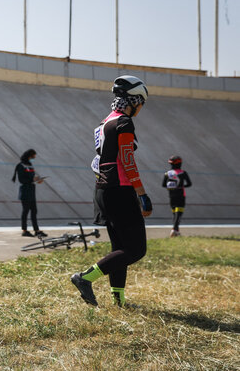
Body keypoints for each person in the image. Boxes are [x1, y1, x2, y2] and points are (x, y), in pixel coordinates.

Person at [71, 75, 153, 307]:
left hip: (103, 190)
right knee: (136, 249)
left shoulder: (104, 122)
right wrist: (142, 193)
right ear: (134, 100)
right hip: (120, 189)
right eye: (141, 103)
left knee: (120, 249)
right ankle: (85, 277)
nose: (140, 108)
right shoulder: (124, 123)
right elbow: (127, 160)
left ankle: (119, 300)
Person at [12, 149, 47, 238]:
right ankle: (24, 230)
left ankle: (37, 230)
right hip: (25, 191)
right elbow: (21, 180)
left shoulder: (30, 166)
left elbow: (33, 177)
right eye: (33, 157)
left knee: (34, 211)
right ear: (29, 156)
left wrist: (38, 180)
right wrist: (32, 180)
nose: (34, 158)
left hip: (31, 190)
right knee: (25, 211)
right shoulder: (21, 166)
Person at [162, 155, 192, 237]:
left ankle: (177, 231)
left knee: (175, 213)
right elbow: (189, 184)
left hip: (171, 195)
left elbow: (164, 185)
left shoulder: (167, 173)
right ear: (180, 164)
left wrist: (172, 186)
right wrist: (181, 186)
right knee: (179, 213)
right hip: (181, 194)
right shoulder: (183, 173)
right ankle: (174, 229)